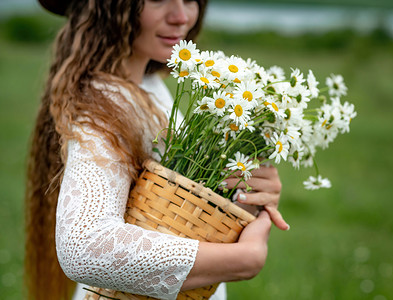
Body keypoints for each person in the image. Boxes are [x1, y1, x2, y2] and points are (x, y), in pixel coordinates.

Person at [25, 0, 289, 300]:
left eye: (190, 0)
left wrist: (244, 196)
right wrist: (243, 259)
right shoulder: (101, 108)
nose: (181, 17)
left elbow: (170, 215)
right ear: (111, 8)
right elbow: (85, 246)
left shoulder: (149, 84)